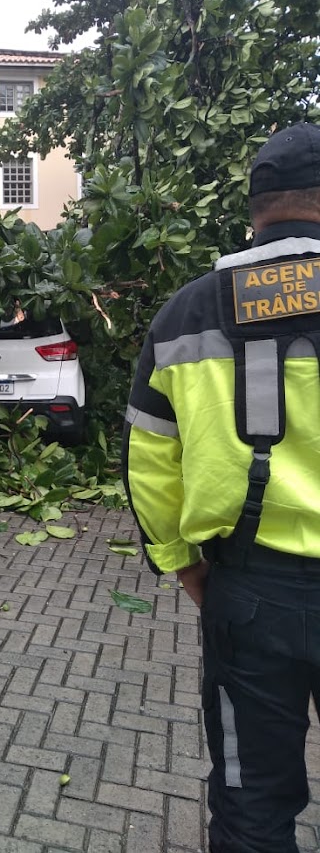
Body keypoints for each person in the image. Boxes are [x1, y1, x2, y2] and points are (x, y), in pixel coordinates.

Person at [122, 122, 320, 853]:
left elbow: (148, 462)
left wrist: (185, 563)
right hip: (252, 588)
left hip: (247, 594)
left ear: (256, 208)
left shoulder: (187, 312)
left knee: (251, 801)